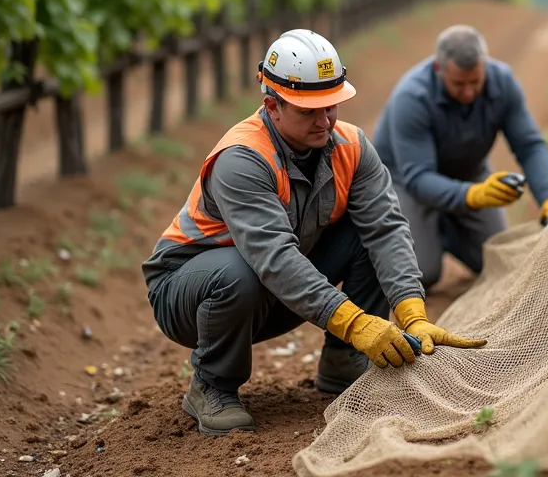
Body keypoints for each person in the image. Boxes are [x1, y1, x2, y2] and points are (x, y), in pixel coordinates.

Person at [140, 28, 486, 437]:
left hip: (272, 287)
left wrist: (413, 313)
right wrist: (357, 323)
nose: (325, 121)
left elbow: (386, 229)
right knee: (239, 270)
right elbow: (274, 258)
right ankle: (212, 385)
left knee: (364, 235)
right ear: (272, 105)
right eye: (309, 111)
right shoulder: (242, 159)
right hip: (191, 294)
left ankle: (342, 362)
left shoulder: (351, 146)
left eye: (331, 106)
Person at [373, 24, 548, 291]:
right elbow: (417, 178)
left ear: (484, 65)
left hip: (468, 172)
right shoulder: (412, 97)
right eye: (459, 84)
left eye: (475, 81)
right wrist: (473, 196)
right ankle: (412, 233)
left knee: (495, 260)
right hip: (406, 184)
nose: (469, 92)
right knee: (420, 273)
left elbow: (529, 145)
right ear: (439, 69)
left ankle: (447, 230)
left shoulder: (503, 82)